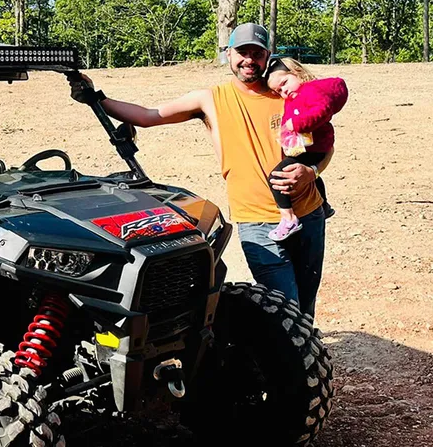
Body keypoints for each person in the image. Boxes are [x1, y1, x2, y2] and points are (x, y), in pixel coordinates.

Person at [69, 23, 332, 318]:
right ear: (229, 54)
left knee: (306, 306)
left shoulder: (285, 92)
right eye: (242, 52)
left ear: (268, 55)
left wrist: (312, 171)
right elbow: (147, 116)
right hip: (256, 223)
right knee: (286, 311)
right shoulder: (210, 99)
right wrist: (96, 97)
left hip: (308, 213)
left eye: (257, 53)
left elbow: (325, 145)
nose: (249, 60)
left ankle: (306, 355)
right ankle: (293, 359)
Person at [264, 57, 348, 241]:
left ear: (297, 73)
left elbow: (322, 110)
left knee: (277, 177)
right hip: (317, 146)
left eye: (284, 83)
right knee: (313, 177)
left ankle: (288, 218)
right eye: (279, 91)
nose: (284, 91)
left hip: (313, 147)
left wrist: (296, 124)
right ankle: (324, 206)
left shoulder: (310, 91)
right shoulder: (299, 94)